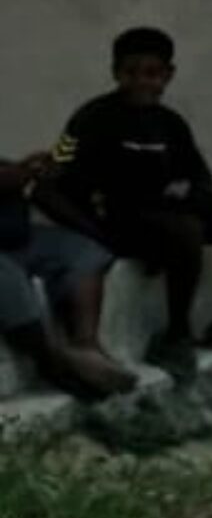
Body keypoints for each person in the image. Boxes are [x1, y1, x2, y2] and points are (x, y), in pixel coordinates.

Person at [39, 26, 212, 377]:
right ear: (116, 73)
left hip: (172, 217)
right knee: (186, 229)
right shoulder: (91, 119)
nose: (142, 82)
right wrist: (95, 234)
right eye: (131, 73)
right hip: (120, 222)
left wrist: (191, 191)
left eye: (152, 74)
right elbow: (46, 187)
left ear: (168, 76)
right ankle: (176, 336)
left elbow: (200, 179)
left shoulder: (171, 124)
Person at [0, 151, 130, 400]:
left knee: (83, 251)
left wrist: (29, 169)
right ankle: (54, 363)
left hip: (16, 238)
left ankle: (86, 345)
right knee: (9, 280)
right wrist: (22, 172)